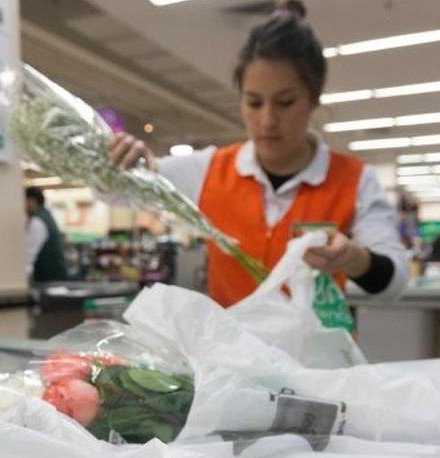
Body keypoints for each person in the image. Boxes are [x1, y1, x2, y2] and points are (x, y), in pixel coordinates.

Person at [107, 0, 407, 307]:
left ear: (313, 99)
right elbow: (113, 192)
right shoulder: (209, 169)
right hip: (230, 352)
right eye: (253, 102)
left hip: (315, 353)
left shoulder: (354, 180)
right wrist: (126, 159)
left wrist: (353, 259)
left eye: (285, 102)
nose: (267, 120)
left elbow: (393, 283)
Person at [24, 186, 68, 283]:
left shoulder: (37, 222)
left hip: (49, 281)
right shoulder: (46, 215)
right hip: (57, 278)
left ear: (31, 200)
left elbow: (30, 255)